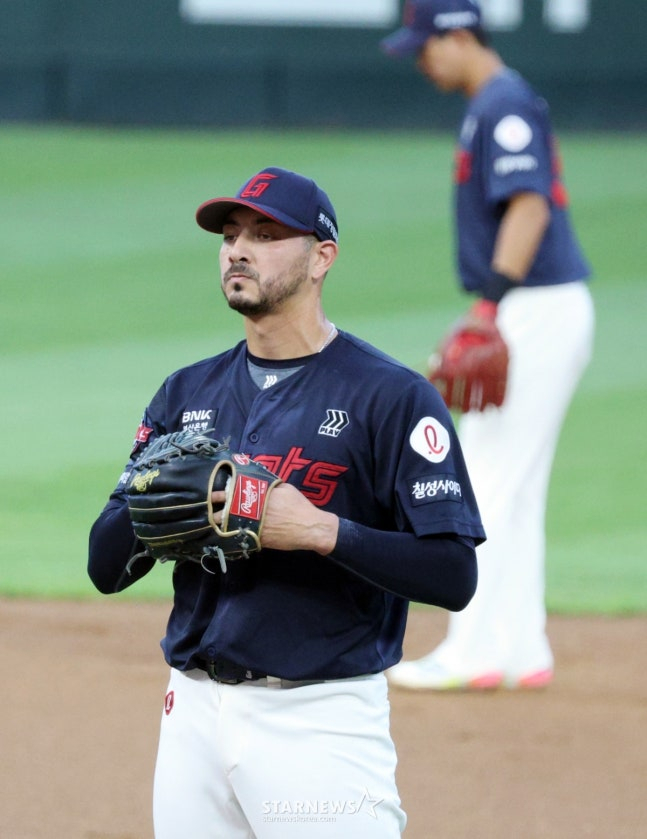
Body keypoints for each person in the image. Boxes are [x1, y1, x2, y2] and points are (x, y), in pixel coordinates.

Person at [88, 166, 486, 838]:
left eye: (265, 235)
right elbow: (104, 568)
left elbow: (453, 574)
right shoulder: (185, 394)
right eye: (230, 235)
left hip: (318, 722)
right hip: (190, 713)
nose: (238, 250)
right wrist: (154, 513)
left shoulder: (390, 397)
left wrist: (322, 531)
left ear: (321, 257)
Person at [381, 0, 595, 691]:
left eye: (425, 47)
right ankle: (521, 646)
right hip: (540, 306)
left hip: (534, 306)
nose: (421, 61)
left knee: (484, 481)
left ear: (459, 35)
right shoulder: (496, 101)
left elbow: (528, 204)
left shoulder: (503, 106)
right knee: (515, 485)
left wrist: (488, 306)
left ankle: (473, 648)